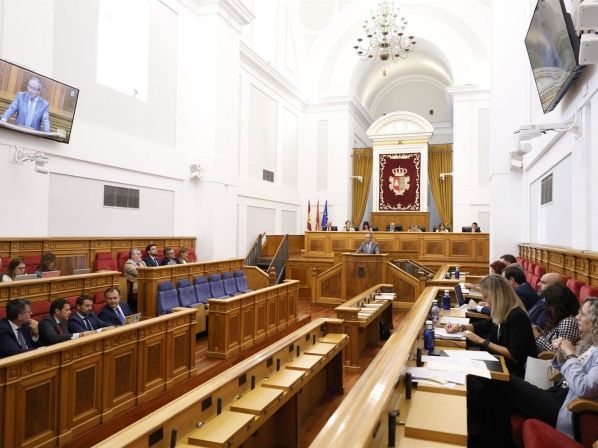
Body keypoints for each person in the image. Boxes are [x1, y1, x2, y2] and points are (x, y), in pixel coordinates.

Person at [467, 297, 598, 447]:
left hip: (565, 408)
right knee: (496, 395)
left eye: (582, 315)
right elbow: (568, 372)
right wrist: (562, 353)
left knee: (500, 379)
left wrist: (570, 354)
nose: (577, 317)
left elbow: (584, 387)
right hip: (555, 393)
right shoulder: (591, 345)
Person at [447, 274, 537, 378]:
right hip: (499, 364)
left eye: (486, 296)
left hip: (512, 374)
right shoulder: (502, 311)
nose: (483, 299)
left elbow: (515, 355)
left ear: (497, 296)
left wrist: (481, 341)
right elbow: (483, 326)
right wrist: (460, 327)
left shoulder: (517, 316)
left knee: (465, 376)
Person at [534, 284, 580, 352]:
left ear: (560, 305)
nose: (547, 308)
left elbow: (560, 353)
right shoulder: (561, 318)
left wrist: (538, 337)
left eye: (549, 304)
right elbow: (552, 341)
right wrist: (541, 333)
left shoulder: (569, 321)